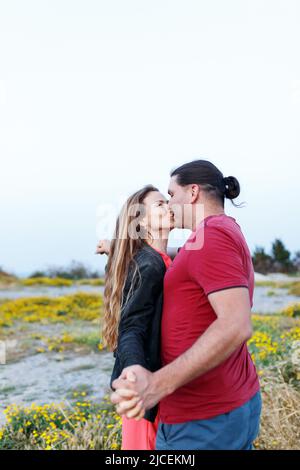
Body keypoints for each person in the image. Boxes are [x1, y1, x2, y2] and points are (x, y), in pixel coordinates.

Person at [111, 160, 262, 450]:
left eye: (171, 193)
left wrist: (157, 385)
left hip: (203, 419)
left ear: (192, 192)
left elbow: (235, 325)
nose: (170, 202)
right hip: (225, 406)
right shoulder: (214, 234)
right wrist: (116, 246)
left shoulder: (212, 236)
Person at [98, 184, 174, 450]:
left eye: (168, 201)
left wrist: (112, 248)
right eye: (160, 204)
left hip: (154, 387)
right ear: (141, 222)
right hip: (143, 388)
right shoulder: (150, 264)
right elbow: (131, 327)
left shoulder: (160, 260)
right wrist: (136, 373)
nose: (169, 206)